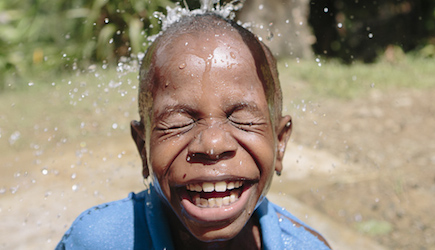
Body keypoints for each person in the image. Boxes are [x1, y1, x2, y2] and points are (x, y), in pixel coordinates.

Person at [56, 13, 331, 250]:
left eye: (243, 120)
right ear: (143, 148)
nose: (212, 144)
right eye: (177, 123)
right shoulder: (97, 241)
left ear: (280, 142)